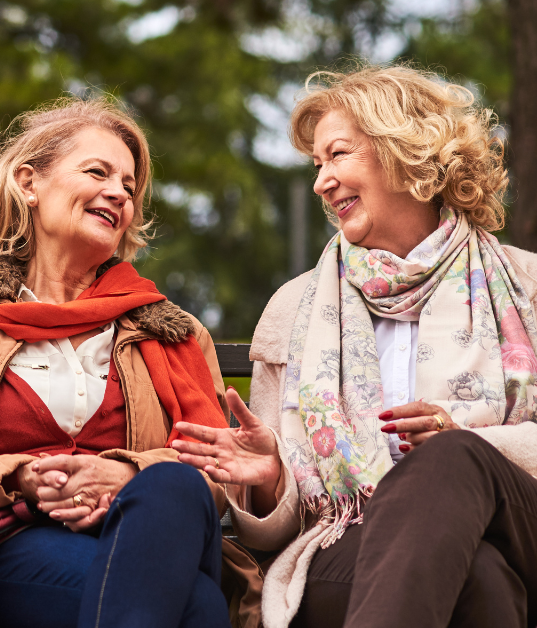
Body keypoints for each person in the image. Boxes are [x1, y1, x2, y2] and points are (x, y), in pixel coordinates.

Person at [0, 97, 260, 628]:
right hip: (12, 543)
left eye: (129, 186)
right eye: (98, 172)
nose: (119, 192)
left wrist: (125, 474)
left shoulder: (172, 333)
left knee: (176, 486)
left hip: (161, 536)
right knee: (199, 607)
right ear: (29, 183)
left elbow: (217, 474)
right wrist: (20, 477)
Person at [170, 63, 537, 628]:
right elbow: (282, 521)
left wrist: (467, 438)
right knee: (480, 580)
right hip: (353, 543)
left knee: (452, 457)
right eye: (317, 165)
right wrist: (270, 479)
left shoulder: (527, 284)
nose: (320, 181)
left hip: (520, 522)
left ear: (404, 151)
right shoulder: (296, 309)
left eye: (338, 155)